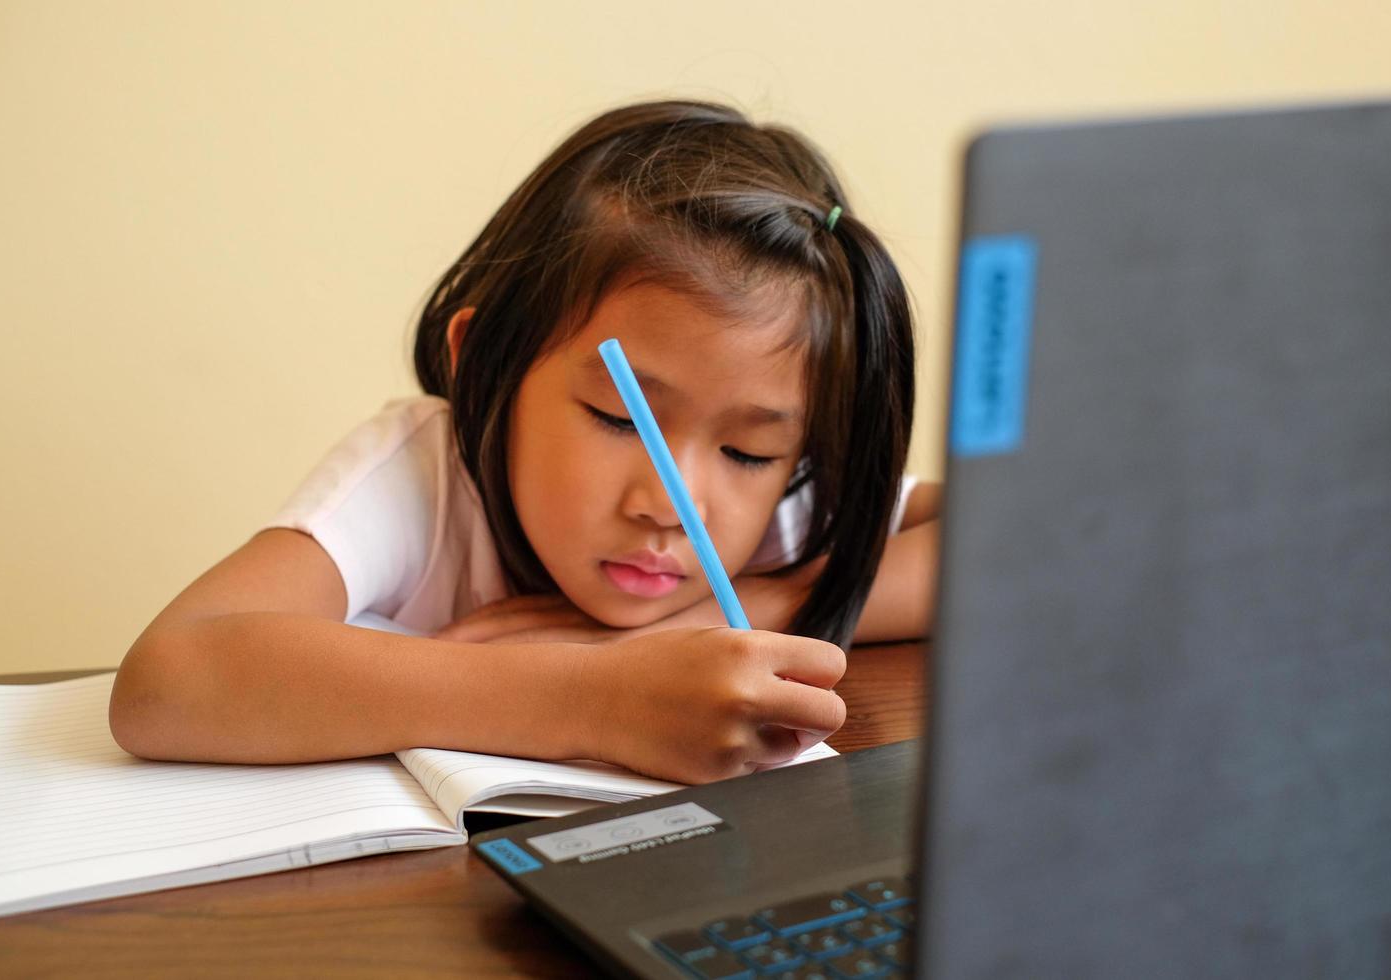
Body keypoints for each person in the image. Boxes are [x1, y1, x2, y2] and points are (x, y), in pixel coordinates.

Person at [109, 100, 941, 784]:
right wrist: (589, 694)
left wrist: (733, 619)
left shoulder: (786, 506)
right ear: (485, 371)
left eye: (750, 454)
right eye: (620, 419)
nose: (670, 503)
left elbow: (1030, 532)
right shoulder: (424, 476)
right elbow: (172, 677)